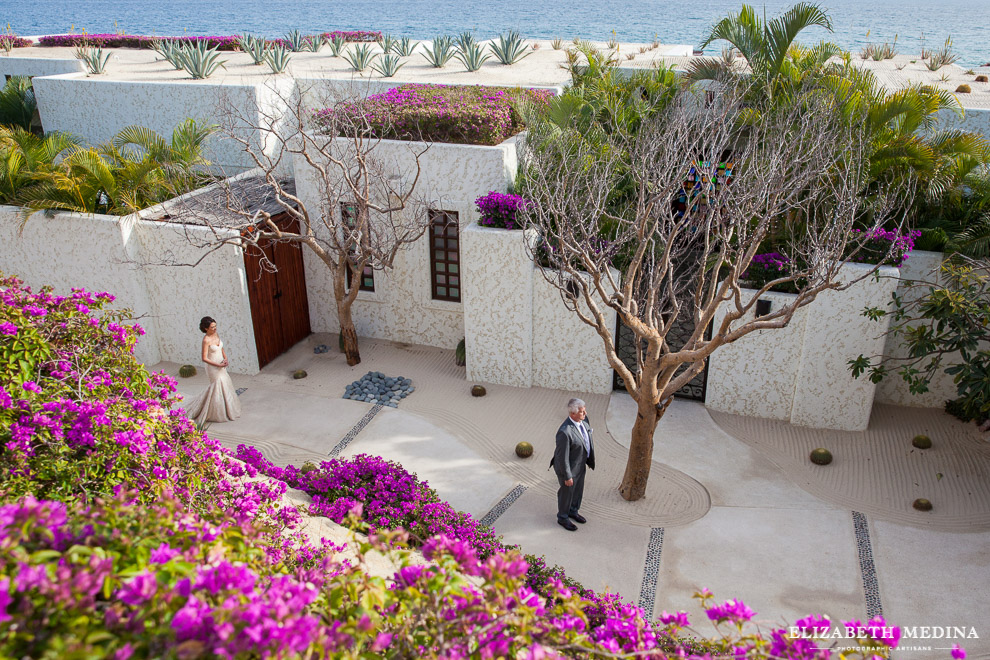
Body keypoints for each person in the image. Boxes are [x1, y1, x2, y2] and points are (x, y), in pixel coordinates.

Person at [183, 316, 242, 426]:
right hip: (213, 367)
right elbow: (204, 358)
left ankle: (228, 409)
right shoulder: (206, 340)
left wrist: (225, 359)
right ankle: (217, 412)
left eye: (215, 326)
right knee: (217, 386)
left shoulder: (216, 334)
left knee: (225, 384)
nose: (215, 328)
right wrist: (218, 365)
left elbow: (221, 348)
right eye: (212, 327)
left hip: (221, 364)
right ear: (206, 328)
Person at [550, 397, 596, 531]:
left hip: (580, 465)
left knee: (578, 491)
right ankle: (563, 517)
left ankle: (573, 511)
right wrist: (567, 476)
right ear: (572, 414)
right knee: (566, 493)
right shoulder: (565, 432)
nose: (585, 414)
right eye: (582, 412)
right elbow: (562, 456)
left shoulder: (584, 420)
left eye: (585, 410)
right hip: (568, 469)